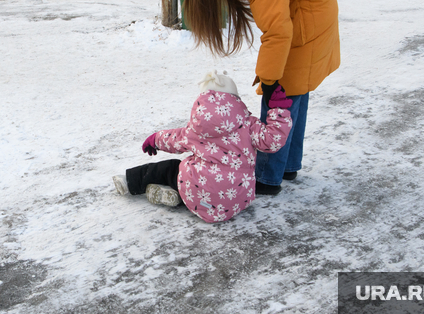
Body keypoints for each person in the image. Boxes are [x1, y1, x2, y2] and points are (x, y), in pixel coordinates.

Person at [172, 0, 341, 196]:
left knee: (281, 92)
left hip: (305, 17)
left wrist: (269, 78)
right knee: (295, 91)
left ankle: (267, 176)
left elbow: (277, 31)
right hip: (309, 11)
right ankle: (288, 165)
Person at [112, 71, 293, 223]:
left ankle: (129, 181)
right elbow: (272, 140)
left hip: (199, 194)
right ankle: (177, 196)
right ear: (235, 100)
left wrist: (154, 139)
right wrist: (278, 110)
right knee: (196, 181)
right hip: (237, 200)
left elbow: (174, 138)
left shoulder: (196, 129)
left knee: (170, 169)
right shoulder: (249, 125)